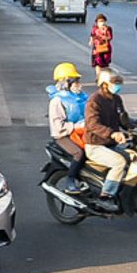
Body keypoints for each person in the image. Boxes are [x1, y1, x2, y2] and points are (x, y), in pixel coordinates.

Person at [82, 66, 133, 203]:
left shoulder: (116, 99)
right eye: (115, 83)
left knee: (135, 156)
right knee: (119, 162)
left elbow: (123, 119)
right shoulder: (94, 101)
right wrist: (112, 134)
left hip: (111, 144)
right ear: (104, 84)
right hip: (95, 145)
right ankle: (106, 195)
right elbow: (93, 125)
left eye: (118, 83)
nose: (117, 86)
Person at [45, 62, 89, 192]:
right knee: (79, 153)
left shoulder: (81, 97)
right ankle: (70, 180)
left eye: (78, 80)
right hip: (63, 136)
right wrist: (75, 126)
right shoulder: (57, 101)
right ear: (65, 82)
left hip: (82, 131)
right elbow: (58, 126)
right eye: (74, 80)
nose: (77, 83)